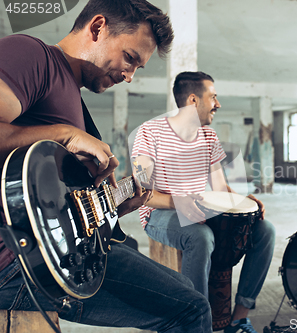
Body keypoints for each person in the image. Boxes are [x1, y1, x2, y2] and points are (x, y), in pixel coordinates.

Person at [0, 1, 213, 332]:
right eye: (130, 58)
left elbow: (63, 207)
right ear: (97, 27)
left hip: (56, 257)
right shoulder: (32, 55)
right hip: (18, 262)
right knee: (192, 309)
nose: (129, 77)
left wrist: (115, 206)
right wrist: (66, 136)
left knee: (187, 291)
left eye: (137, 68)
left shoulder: (73, 100)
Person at [132, 71, 276, 333]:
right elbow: (141, 191)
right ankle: (197, 323)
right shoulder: (149, 133)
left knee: (265, 230)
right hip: (159, 213)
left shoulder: (209, 137)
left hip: (200, 209)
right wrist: (178, 201)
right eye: (213, 97)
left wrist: (244, 201)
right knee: (200, 236)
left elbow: (220, 188)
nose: (218, 104)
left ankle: (239, 318)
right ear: (193, 100)